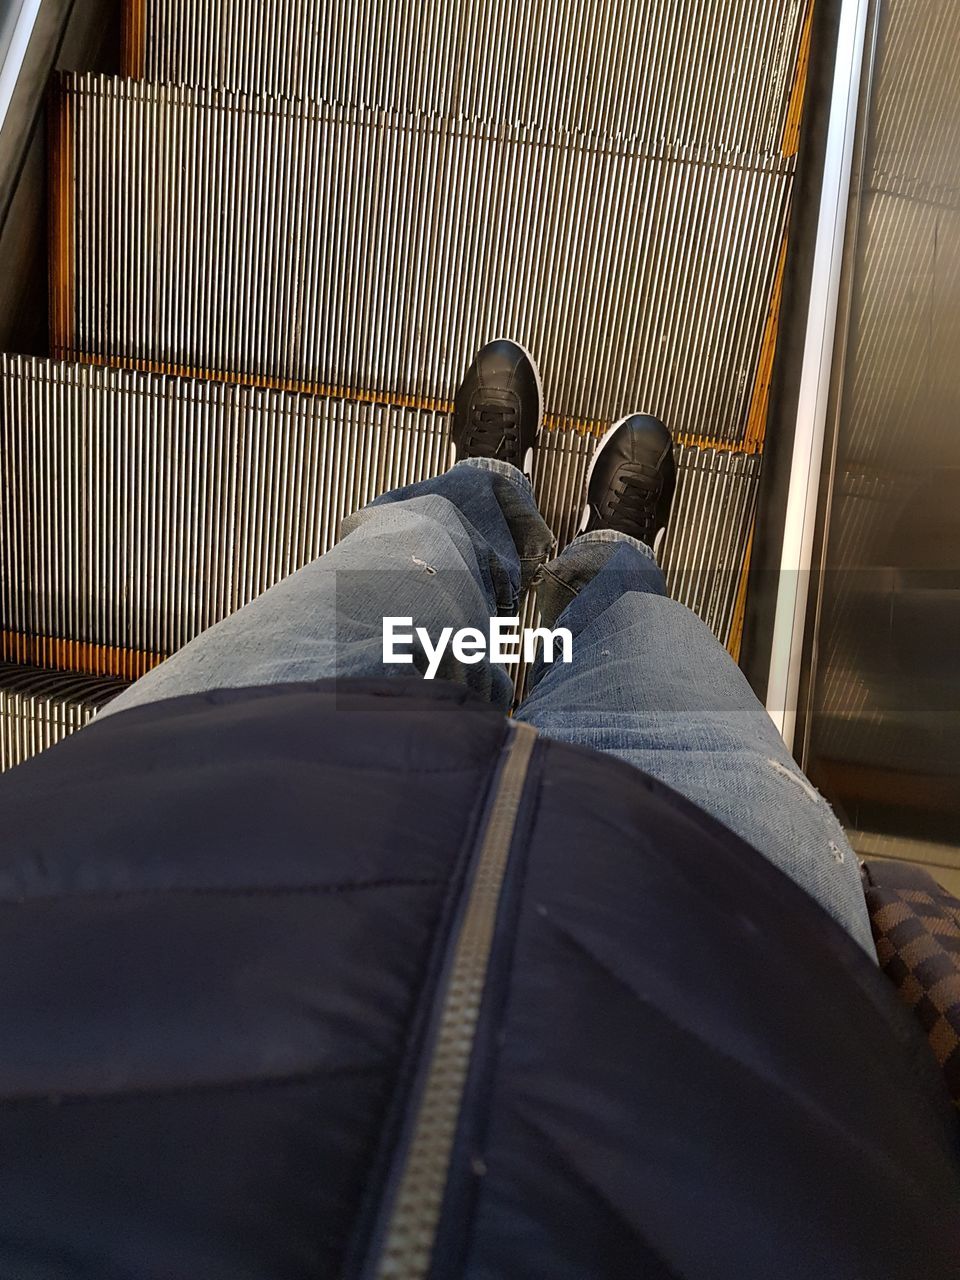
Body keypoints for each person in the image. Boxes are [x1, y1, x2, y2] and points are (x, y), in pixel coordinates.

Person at [0, 341, 957, 1278]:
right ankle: (610, 557)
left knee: (396, 571)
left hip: (173, 839)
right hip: (737, 1017)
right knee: (652, 643)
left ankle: (482, 492)